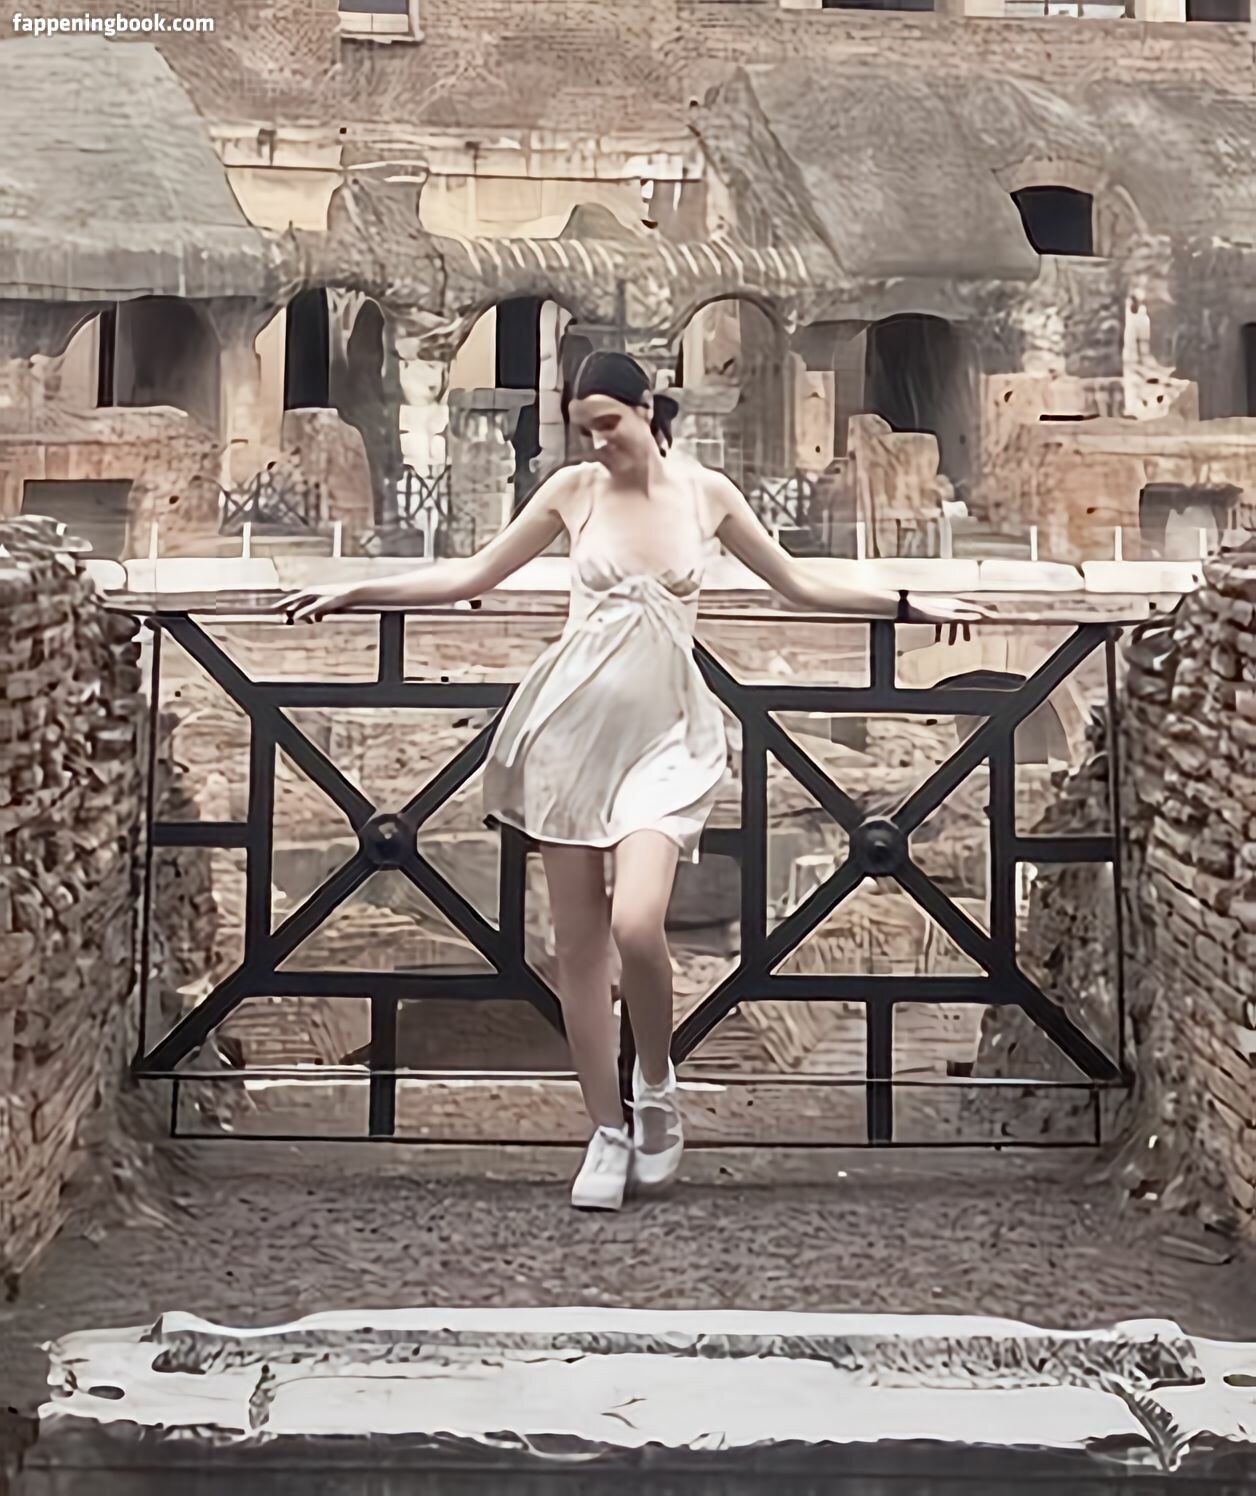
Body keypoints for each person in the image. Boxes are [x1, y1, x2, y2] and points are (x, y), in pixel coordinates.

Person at [281, 351, 980, 1212]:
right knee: (578, 947)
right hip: (570, 737)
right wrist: (358, 590)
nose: (598, 443)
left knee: (637, 923)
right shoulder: (572, 492)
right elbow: (471, 575)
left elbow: (798, 584)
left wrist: (909, 604)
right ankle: (606, 1130)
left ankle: (655, 1083)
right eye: (584, 430)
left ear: (649, 408)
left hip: (666, 741)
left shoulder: (707, 494)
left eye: (609, 424)